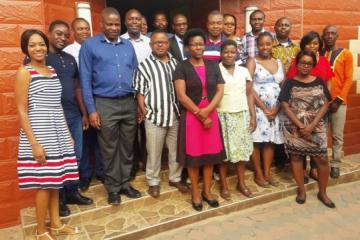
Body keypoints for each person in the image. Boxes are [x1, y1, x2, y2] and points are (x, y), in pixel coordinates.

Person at [16, 29, 80, 240]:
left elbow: (57, 105)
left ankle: (56, 224)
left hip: (57, 133)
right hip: (39, 134)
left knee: (55, 181)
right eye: (32, 45)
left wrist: (66, 133)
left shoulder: (51, 70)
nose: (38, 48)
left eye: (41, 44)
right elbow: (22, 110)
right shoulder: (25, 72)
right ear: (26, 48)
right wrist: (34, 143)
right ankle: (40, 231)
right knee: (44, 184)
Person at [79, 7, 141, 205]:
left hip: (128, 102)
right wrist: (91, 110)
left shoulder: (127, 46)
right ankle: (113, 188)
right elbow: (85, 80)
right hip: (104, 103)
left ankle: (125, 184)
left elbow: (137, 74)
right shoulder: (90, 46)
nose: (114, 28)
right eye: (110, 24)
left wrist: (139, 103)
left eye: (116, 24)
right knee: (109, 148)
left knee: (127, 146)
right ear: (101, 25)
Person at [174, 28, 226, 211]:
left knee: (210, 158)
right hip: (192, 117)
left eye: (200, 43)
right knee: (194, 158)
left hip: (210, 115)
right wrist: (199, 113)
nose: (198, 47)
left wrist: (208, 111)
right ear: (187, 47)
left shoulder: (213, 65)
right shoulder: (181, 67)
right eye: (194, 44)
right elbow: (181, 96)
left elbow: (220, 90)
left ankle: (207, 191)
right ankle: (195, 192)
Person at [46, 20, 93, 216]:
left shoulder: (70, 58)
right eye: (58, 34)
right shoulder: (41, 57)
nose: (62, 38)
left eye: (66, 35)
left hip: (74, 114)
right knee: (58, 159)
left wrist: (84, 113)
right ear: (49, 33)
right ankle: (60, 200)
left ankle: (73, 192)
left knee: (76, 156)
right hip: (53, 117)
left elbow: (78, 87)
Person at [134, 30, 189, 198]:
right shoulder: (144, 65)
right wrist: (145, 111)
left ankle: (175, 178)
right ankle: (153, 181)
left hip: (174, 114)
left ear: (168, 44)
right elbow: (140, 92)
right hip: (155, 116)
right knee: (154, 151)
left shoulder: (176, 64)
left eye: (163, 42)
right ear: (151, 45)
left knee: (175, 150)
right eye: (156, 42)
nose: (160, 45)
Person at [279, 50, 335, 208]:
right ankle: (301, 191)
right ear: (297, 64)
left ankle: (322, 192)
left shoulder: (319, 81)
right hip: (295, 128)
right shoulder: (289, 82)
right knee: (296, 158)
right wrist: (301, 125)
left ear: (313, 65)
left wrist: (311, 125)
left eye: (309, 63)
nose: (305, 66)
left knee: (322, 160)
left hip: (316, 127)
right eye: (302, 63)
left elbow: (326, 103)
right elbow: (284, 104)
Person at [287, 31, 333, 182]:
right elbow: (291, 84)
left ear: (319, 45)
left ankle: (314, 169)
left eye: (315, 43)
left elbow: (328, 82)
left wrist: (327, 101)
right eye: (309, 43)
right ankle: (303, 172)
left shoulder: (324, 61)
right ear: (303, 45)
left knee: (317, 145)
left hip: (319, 110)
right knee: (299, 147)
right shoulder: (297, 62)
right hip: (299, 113)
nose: (312, 46)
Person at [63, 18, 104, 191]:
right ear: (73, 31)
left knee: (100, 138)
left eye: (87, 28)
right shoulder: (68, 52)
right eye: (80, 29)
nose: (85, 31)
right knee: (84, 140)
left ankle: (102, 171)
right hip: (77, 102)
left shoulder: (96, 46)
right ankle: (86, 175)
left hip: (97, 99)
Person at [217, 40, 256, 200]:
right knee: (223, 153)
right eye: (226, 52)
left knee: (241, 153)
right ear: (221, 54)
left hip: (241, 115)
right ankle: (224, 185)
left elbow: (249, 94)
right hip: (223, 115)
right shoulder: (215, 70)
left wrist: (253, 116)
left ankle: (241, 183)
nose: (229, 55)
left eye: (232, 52)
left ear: (237, 54)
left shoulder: (243, 71)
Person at [246, 32, 284, 188]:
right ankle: (258, 173)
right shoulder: (252, 61)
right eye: (261, 44)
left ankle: (267, 172)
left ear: (272, 44)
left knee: (270, 141)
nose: (265, 47)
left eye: (268, 44)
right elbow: (249, 88)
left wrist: (276, 108)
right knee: (256, 141)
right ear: (257, 46)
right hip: (258, 107)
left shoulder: (279, 62)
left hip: (276, 109)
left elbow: (283, 87)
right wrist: (264, 108)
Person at [121, 9, 152, 178]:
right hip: (128, 94)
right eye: (130, 19)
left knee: (147, 131)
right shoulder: (119, 41)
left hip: (148, 94)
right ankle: (132, 165)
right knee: (130, 132)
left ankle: (147, 163)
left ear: (142, 22)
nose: (134, 22)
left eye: (137, 19)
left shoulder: (149, 42)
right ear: (125, 22)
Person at [322, 25, 353, 179]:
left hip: (338, 103)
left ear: (337, 36)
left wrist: (338, 100)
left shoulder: (345, 54)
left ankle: (335, 164)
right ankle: (320, 164)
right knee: (320, 135)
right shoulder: (319, 54)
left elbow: (348, 79)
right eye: (326, 33)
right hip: (321, 103)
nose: (329, 36)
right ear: (323, 36)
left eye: (332, 33)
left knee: (337, 135)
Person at [271, 17, 300, 169]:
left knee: (291, 123)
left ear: (291, 27)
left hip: (294, 92)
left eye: (286, 25)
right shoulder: (270, 47)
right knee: (277, 123)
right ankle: (279, 157)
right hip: (275, 92)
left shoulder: (297, 48)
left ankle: (293, 155)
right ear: (275, 27)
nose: (283, 27)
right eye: (280, 25)